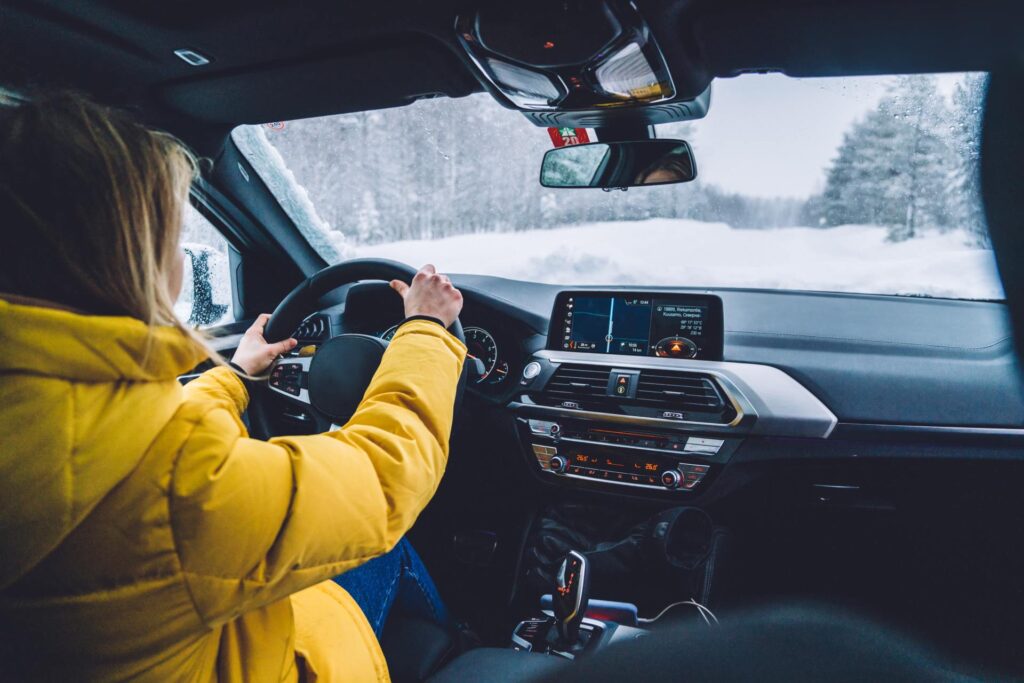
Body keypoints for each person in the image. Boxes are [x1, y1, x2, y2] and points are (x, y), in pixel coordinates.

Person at [0, 92, 467, 681]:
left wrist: (235, 377)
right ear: (126, 254)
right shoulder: (176, 480)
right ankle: (464, 653)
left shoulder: (43, 409)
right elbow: (383, 476)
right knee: (386, 546)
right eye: (170, 233)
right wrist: (425, 330)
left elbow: (115, 441)